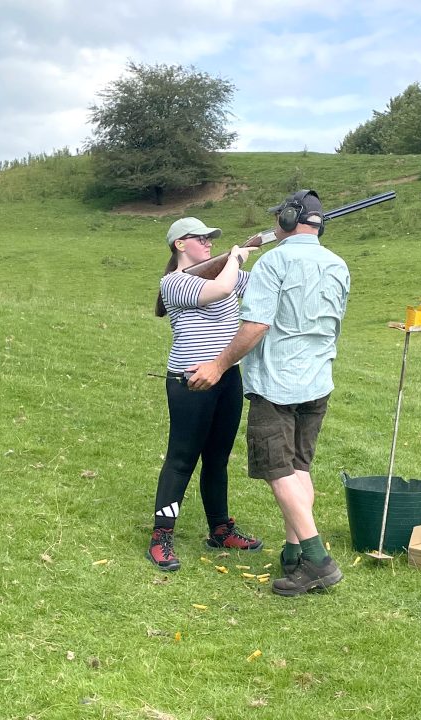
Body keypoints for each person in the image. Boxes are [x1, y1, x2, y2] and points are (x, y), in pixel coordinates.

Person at [188, 190, 350, 596]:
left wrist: (218, 365)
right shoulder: (338, 264)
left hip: (277, 383)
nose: (276, 222)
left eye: (280, 216)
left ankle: (316, 559)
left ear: (291, 217)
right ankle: (294, 555)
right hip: (318, 380)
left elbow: (256, 327)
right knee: (299, 466)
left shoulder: (274, 262)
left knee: (277, 469)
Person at [147, 217, 263, 571]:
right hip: (190, 381)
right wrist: (237, 257)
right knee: (181, 458)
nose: (210, 242)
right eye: (201, 238)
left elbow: (259, 286)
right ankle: (161, 536)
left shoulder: (220, 270)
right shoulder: (173, 282)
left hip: (227, 375)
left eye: (212, 238)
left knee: (218, 457)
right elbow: (222, 290)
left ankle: (220, 528)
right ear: (180, 244)